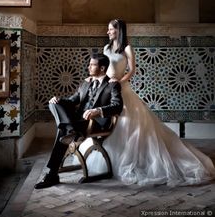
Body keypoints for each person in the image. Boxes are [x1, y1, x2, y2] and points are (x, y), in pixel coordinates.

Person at [87, 19, 215, 187]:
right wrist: (95, 78)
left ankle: (133, 161)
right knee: (107, 118)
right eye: (108, 29)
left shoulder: (126, 48)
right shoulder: (106, 48)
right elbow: (102, 69)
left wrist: (119, 82)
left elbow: (132, 70)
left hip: (121, 88)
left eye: (111, 29)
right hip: (107, 90)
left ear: (119, 31)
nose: (108, 32)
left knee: (128, 124)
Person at [34, 52, 123, 189]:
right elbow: (71, 101)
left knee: (62, 131)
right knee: (53, 104)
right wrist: (58, 99)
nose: (88, 67)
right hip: (77, 121)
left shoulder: (112, 85)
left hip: (94, 123)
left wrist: (97, 111)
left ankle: (52, 175)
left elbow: (118, 106)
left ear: (102, 68)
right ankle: (70, 129)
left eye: (92, 65)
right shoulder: (85, 84)